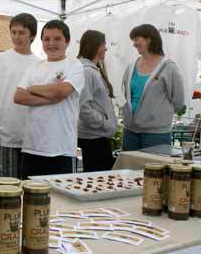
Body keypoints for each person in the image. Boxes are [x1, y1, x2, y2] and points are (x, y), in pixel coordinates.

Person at [14, 20, 84, 179]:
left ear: (67, 41)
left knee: (62, 201)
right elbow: (18, 96)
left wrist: (33, 89)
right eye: (46, 39)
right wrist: (51, 97)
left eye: (57, 38)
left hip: (62, 149)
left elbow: (62, 91)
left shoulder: (74, 65)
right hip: (32, 147)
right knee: (31, 199)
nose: (51, 43)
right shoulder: (35, 67)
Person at [0, 13, 40, 178]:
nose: (16, 36)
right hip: (6, 136)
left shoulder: (39, 64)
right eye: (13, 32)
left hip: (32, 138)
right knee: (7, 187)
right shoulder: (1, 59)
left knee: (29, 185)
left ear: (33, 36)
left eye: (21, 32)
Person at [122, 24, 185, 151]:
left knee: (154, 169)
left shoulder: (169, 67)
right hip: (130, 131)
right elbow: (127, 94)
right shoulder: (131, 67)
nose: (134, 44)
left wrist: (157, 114)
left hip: (156, 133)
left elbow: (178, 100)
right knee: (129, 169)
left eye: (136, 39)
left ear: (148, 39)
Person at [77, 30, 117, 172]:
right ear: (95, 46)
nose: (106, 48)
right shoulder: (87, 71)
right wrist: (103, 123)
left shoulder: (93, 70)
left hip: (97, 137)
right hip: (93, 139)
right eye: (103, 44)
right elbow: (83, 107)